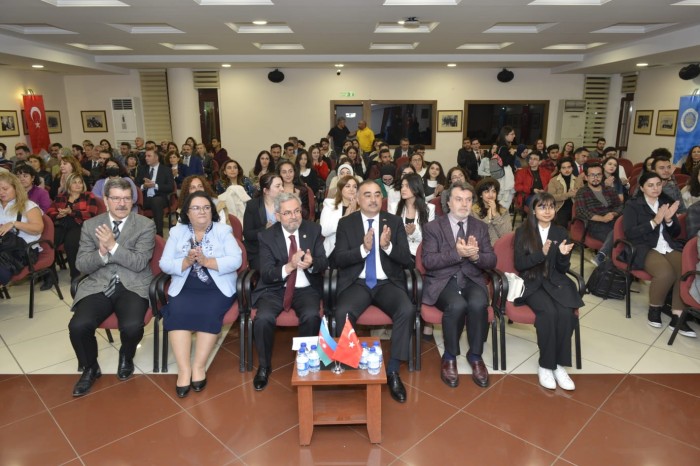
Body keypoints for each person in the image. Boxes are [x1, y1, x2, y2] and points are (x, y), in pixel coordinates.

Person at [68, 178, 156, 397]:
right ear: (105, 200)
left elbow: (138, 263)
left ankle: (126, 355)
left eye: (127, 198)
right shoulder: (91, 225)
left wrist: (112, 245)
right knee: (78, 326)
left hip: (133, 283)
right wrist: (101, 253)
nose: (121, 203)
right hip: (99, 283)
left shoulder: (145, 225)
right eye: (116, 198)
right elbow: (81, 263)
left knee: (133, 326)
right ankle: (90, 367)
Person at [334, 180, 415, 403]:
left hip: (386, 283)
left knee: (406, 310)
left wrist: (387, 246)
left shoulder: (394, 222)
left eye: (377, 195)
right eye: (367, 195)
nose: (373, 199)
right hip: (358, 283)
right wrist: (364, 249)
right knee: (342, 312)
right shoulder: (346, 223)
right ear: (358, 199)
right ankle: (352, 366)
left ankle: (393, 371)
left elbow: (407, 260)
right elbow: (338, 258)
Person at [159, 191, 242, 397]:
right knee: (177, 312)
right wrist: (186, 261)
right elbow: (164, 263)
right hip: (186, 284)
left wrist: (207, 261)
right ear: (187, 212)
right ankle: (184, 370)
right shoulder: (177, 233)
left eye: (206, 207)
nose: (202, 211)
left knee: (209, 311)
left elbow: (236, 260)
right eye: (196, 208)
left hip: (216, 285)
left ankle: (198, 367)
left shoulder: (223, 230)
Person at [421, 181, 497, 388]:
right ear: (448, 202)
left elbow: (491, 261)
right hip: (444, 280)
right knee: (456, 305)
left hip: (472, 278)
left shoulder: (480, 227)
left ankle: (475, 356)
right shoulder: (433, 227)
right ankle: (450, 356)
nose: (464, 204)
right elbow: (428, 261)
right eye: (458, 199)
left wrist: (475, 256)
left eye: (468, 200)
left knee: (479, 304)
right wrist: (457, 254)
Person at [251, 193, 328, 391]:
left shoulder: (313, 229)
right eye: (287, 213)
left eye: (296, 211)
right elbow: (267, 273)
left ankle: (306, 361)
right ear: (277, 216)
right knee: (263, 318)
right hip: (275, 288)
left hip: (306, 288)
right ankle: (264, 366)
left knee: (311, 315)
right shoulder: (266, 236)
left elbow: (323, 261)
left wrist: (312, 264)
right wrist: (290, 266)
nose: (294, 216)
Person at [514, 192, 584, 390]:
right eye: (542, 207)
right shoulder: (523, 231)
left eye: (551, 207)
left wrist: (562, 256)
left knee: (565, 313)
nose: (547, 211)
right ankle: (546, 365)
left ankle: (559, 365)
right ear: (534, 210)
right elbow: (520, 264)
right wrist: (541, 254)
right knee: (548, 313)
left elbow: (562, 268)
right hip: (532, 282)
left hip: (555, 281)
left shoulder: (561, 232)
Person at [623, 172, 695, 337]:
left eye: (658, 184)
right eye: (650, 185)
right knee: (665, 273)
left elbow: (676, 232)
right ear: (642, 188)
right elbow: (630, 233)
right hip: (644, 247)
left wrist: (669, 220)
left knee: (685, 271)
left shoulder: (666, 201)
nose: (655, 188)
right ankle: (654, 308)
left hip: (667, 245)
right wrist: (654, 222)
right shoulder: (633, 205)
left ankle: (677, 315)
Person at [47, 173, 99, 279]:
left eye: (80, 182)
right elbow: (50, 211)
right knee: (49, 243)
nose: (78, 185)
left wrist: (72, 212)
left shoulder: (88, 195)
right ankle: (50, 277)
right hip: (62, 223)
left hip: (80, 224)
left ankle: (75, 276)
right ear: (68, 184)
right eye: (74, 182)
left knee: (70, 244)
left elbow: (91, 214)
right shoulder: (61, 196)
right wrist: (58, 214)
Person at [573, 162, 623, 265]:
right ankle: (615, 268)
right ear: (586, 177)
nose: (596, 178)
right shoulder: (582, 192)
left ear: (602, 176)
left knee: (624, 231)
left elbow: (620, 205)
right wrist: (602, 218)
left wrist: (614, 213)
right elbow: (581, 211)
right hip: (596, 224)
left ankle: (602, 255)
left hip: (613, 220)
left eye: (598, 175)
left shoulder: (609, 189)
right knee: (619, 238)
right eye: (592, 175)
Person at [0, 172, 43, 286]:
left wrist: (14, 224)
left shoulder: (28, 205)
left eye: (5, 188)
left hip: (24, 251)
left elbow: (38, 228)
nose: (1, 192)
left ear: (16, 188)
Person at [243, 172, 283, 270]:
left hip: (282, 248)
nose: (282, 189)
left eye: (282, 185)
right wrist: (264, 229)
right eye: (278, 186)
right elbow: (247, 234)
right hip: (259, 251)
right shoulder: (253, 206)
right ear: (266, 190)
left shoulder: (286, 204)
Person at [389, 173, 435, 257]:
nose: (403, 189)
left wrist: (413, 233)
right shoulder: (394, 207)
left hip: (419, 252)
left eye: (407, 186)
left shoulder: (429, 209)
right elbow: (392, 235)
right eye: (402, 186)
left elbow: (429, 238)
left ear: (416, 187)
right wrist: (404, 233)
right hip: (399, 252)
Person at [320, 175, 359, 266]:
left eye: (355, 186)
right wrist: (344, 218)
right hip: (335, 248)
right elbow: (324, 231)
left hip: (356, 248)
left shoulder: (362, 208)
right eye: (347, 186)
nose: (351, 189)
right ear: (341, 189)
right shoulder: (330, 205)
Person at [135, 149, 175, 236]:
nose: (146, 158)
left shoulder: (166, 170)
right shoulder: (142, 169)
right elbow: (136, 185)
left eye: (149, 156)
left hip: (160, 198)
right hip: (145, 198)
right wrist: (144, 186)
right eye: (146, 156)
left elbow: (170, 187)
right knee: (133, 201)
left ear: (156, 157)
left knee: (156, 201)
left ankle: (159, 232)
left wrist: (155, 185)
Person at [472, 177, 512, 245]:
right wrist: (488, 219)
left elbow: (507, 235)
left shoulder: (503, 211)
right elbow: (477, 235)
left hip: (501, 247)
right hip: (482, 248)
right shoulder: (473, 211)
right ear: (481, 195)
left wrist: (495, 215)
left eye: (493, 191)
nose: (491, 195)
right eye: (487, 191)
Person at [547, 157, 578, 227]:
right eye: (563, 168)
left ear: (572, 168)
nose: (567, 170)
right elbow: (551, 197)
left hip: (575, 207)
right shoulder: (553, 180)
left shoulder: (578, 180)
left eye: (569, 167)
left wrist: (576, 194)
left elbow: (583, 196)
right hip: (560, 207)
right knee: (561, 223)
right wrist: (567, 195)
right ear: (560, 170)